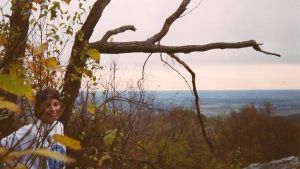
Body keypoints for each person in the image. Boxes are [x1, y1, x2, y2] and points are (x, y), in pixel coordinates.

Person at [0, 88, 66, 169]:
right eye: (47, 105)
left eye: (56, 104)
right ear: (38, 108)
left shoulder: (59, 126)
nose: (53, 109)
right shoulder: (30, 131)